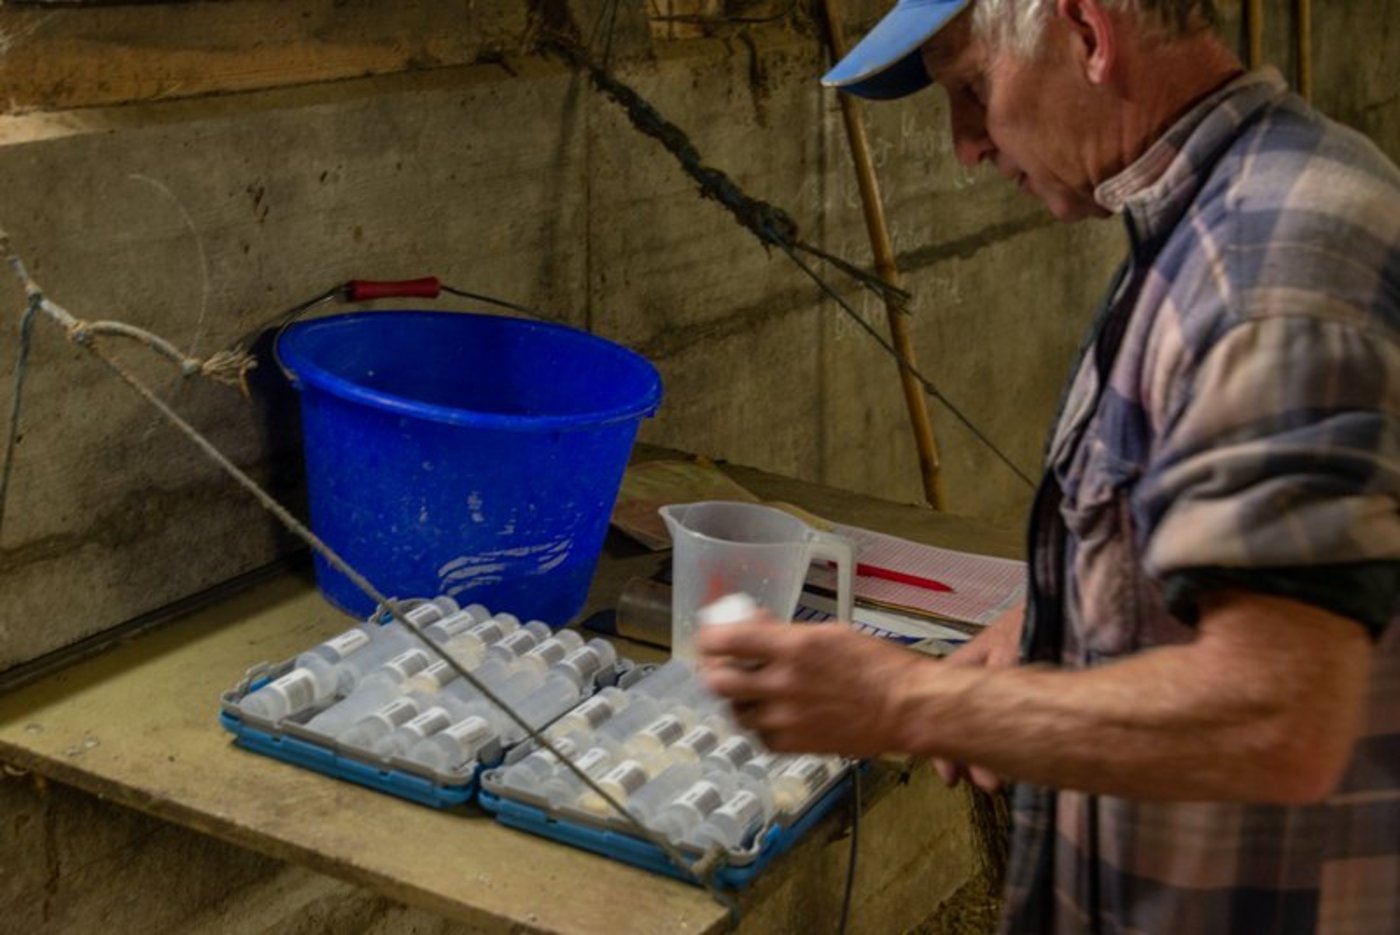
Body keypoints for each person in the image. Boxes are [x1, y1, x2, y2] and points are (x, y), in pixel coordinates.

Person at [696, 1, 1400, 931]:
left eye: (972, 89)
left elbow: (1278, 718)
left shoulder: (1265, 269)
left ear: (1087, 32)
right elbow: (1207, 529)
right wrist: (1059, 618)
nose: (966, 146)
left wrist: (912, 700)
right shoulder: (1216, 214)